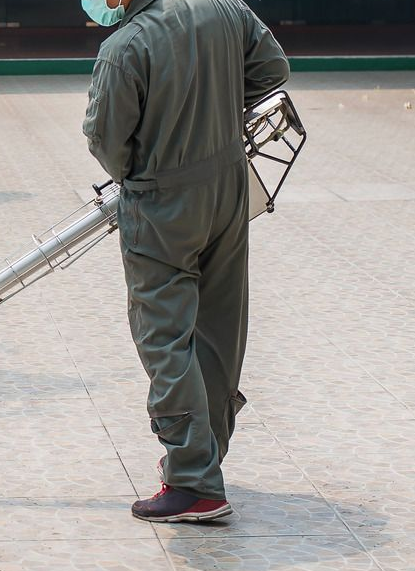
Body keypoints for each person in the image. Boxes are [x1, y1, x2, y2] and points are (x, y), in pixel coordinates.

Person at [80, 0, 289, 522]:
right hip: (228, 184)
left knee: (165, 333)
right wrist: (212, 117)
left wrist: (145, 165)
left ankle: (194, 481)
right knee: (218, 324)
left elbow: (107, 140)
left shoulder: (123, 48)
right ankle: (208, 451)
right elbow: (272, 69)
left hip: (163, 201)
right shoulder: (226, 8)